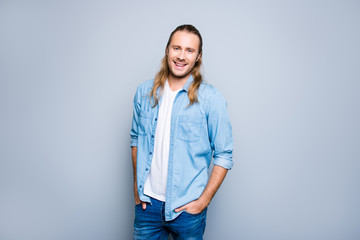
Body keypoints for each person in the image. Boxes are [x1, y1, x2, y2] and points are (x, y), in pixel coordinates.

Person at [130, 24, 233, 240]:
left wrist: (203, 201)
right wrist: (137, 188)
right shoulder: (143, 93)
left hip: (186, 211)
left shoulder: (211, 100)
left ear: (198, 57)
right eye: (177, 48)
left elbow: (224, 155)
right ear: (167, 50)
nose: (181, 56)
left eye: (189, 50)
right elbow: (136, 139)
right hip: (147, 205)